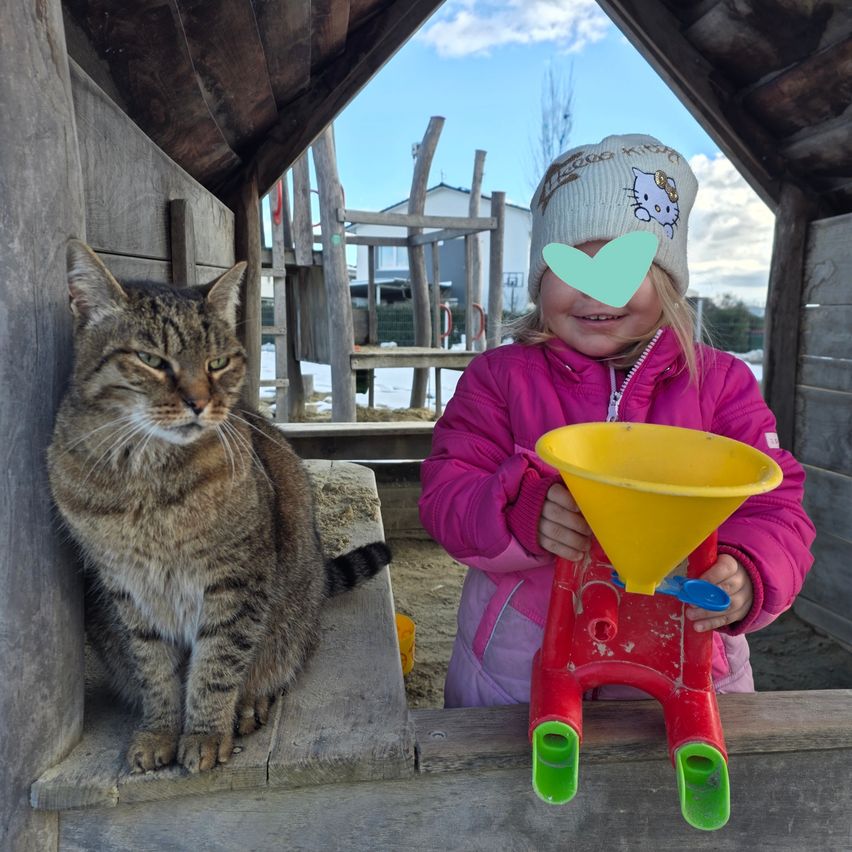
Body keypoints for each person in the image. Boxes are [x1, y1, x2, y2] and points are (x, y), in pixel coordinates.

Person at [419, 133, 816, 708]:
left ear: (668, 278)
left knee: (668, 795)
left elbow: (775, 503)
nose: (594, 287)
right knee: (505, 795)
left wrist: (747, 570)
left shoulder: (721, 384)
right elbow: (447, 491)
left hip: (688, 667)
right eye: (571, 263)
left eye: (623, 263)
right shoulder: (499, 379)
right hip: (517, 671)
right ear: (539, 278)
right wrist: (521, 509)